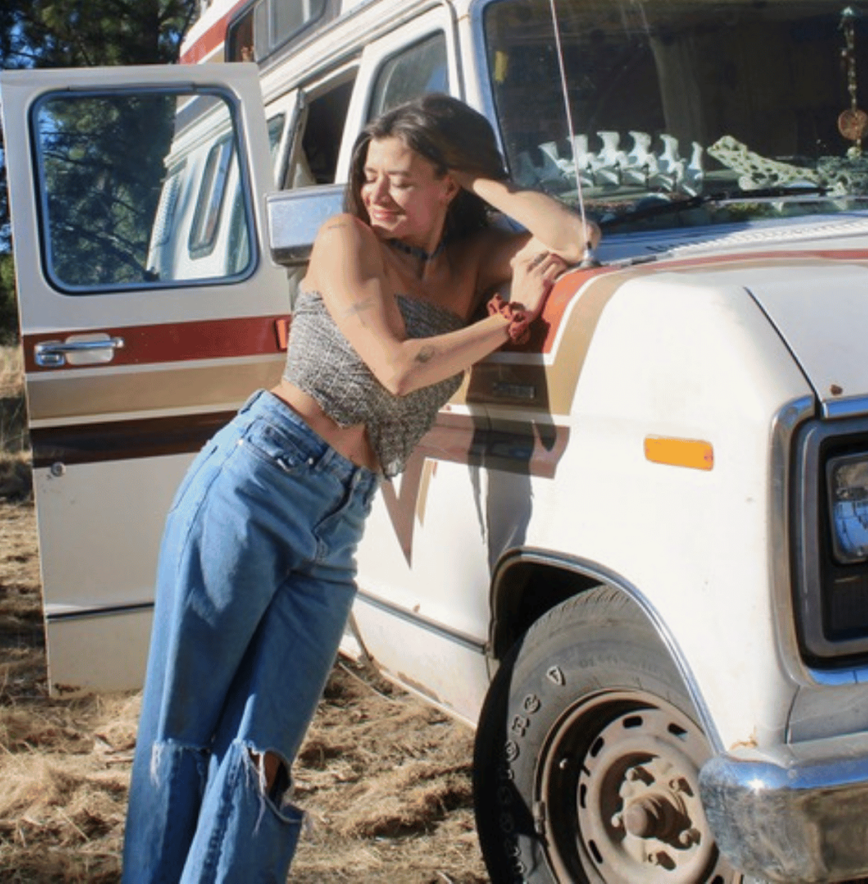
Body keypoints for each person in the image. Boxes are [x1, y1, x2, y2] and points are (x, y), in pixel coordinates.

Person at [122, 92, 597, 883]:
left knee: (264, 752)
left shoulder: (469, 259)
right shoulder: (345, 239)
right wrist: (507, 320)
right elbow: (396, 365)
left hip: (341, 517)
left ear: (452, 184)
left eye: (403, 180)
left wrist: (485, 182)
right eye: (369, 176)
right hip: (259, 480)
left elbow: (571, 237)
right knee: (182, 728)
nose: (376, 195)